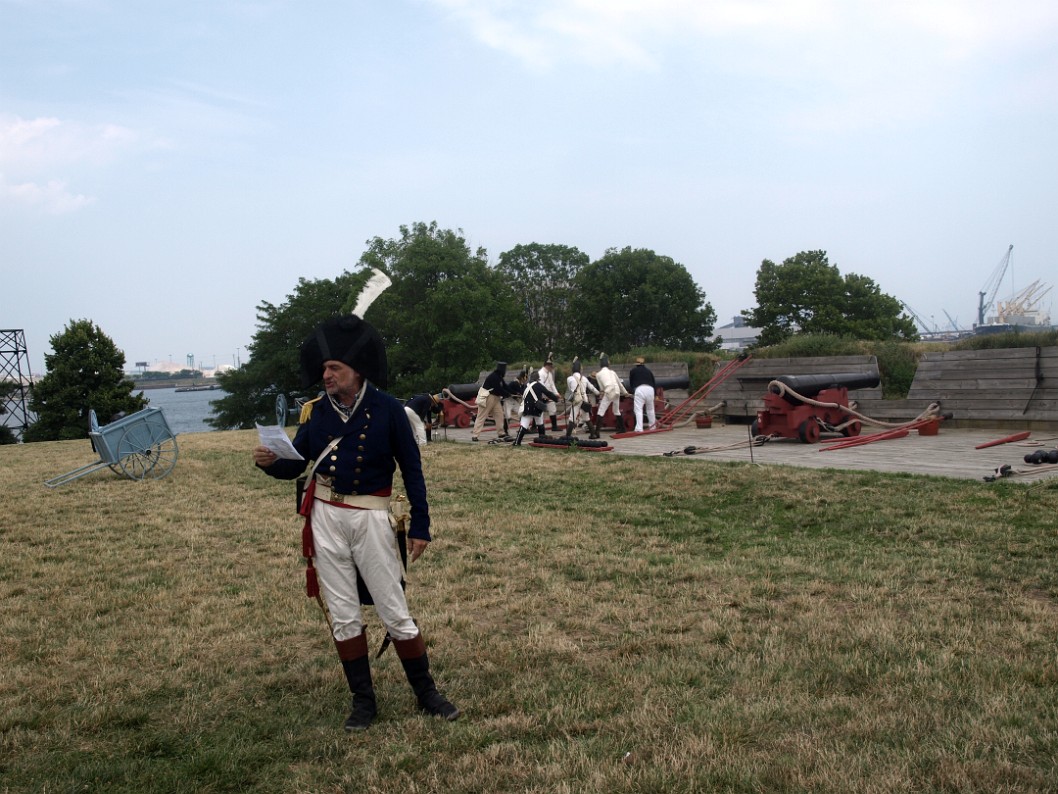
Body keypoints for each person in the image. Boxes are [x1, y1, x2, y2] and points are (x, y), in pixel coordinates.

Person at [252, 315, 459, 732]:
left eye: (334, 369)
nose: (325, 375)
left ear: (356, 371)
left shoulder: (388, 410)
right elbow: (297, 464)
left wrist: (421, 524)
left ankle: (426, 693)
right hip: (324, 516)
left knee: (393, 609)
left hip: (370, 517)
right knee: (344, 614)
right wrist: (270, 464)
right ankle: (363, 703)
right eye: (324, 369)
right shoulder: (316, 415)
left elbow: (412, 470)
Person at [514, 371, 560, 446]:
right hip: (537, 408)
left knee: (523, 426)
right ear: (537, 379)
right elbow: (548, 393)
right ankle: (542, 441)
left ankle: (517, 442)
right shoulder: (539, 385)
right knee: (540, 424)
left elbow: (530, 397)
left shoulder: (526, 385)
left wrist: (544, 400)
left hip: (528, 408)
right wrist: (556, 399)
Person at [472, 361, 513, 442]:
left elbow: (505, 386)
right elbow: (498, 389)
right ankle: (475, 435)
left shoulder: (499, 377)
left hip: (495, 398)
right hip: (488, 396)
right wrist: (507, 394)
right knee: (482, 416)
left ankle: (501, 433)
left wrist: (514, 393)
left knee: (499, 415)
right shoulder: (494, 377)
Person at [594, 353, 630, 434]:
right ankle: (622, 429)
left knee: (601, 411)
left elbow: (602, 388)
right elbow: (620, 384)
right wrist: (625, 393)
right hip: (617, 391)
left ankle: (596, 433)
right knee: (616, 410)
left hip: (609, 391)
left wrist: (602, 392)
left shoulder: (598, 374)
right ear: (607, 364)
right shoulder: (612, 372)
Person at [565, 356, 599, 438]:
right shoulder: (584, 378)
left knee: (572, 418)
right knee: (586, 418)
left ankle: (568, 436)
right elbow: (592, 388)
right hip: (584, 400)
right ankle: (593, 434)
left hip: (576, 400)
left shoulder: (569, 378)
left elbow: (570, 390)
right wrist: (598, 393)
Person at [629, 356, 657, 432]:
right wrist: (656, 394)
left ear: (636, 364)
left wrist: (632, 392)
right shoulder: (649, 371)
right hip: (650, 389)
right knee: (650, 409)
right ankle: (652, 426)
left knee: (638, 409)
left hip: (640, 389)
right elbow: (654, 382)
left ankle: (639, 428)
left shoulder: (633, 371)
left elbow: (631, 383)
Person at [537, 354, 560, 433]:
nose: (551, 368)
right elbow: (541, 386)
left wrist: (556, 393)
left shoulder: (549, 374)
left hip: (549, 395)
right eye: (550, 366)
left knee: (553, 410)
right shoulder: (541, 373)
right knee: (540, 412)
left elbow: (552, 384)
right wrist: (548, 395)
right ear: (547, 365)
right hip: (543, 395)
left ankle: (554, 426)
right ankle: (536, 427)